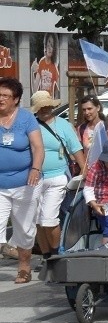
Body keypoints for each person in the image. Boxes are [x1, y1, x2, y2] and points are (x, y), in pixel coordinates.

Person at [32, 90, 86, 260]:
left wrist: (85, 171)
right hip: (34, 179)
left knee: (49, 218)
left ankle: (57, 253)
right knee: (38, 220)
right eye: (41, 107)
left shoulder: (62, 125)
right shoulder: (31, 126)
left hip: (57, 176)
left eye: (47, 106)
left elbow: (76, 149)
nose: (44, 110)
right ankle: (47, 256)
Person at [0, 77, 44, 283]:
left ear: (16, 99)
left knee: (25, 228)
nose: (1, 99)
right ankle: (7, 247)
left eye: (5, 96)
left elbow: (37, 147)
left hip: (26, 183)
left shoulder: (26, 118)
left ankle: (24, 267)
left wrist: (35, 168)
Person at [31, 33, 60, 97]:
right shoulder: (42, 62)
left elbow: (61, 87)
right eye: (48, 45)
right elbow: (34, 90)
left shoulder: (54, 66)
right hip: (41, 100)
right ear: (45, 46)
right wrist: (32, 72)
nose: (49, 48)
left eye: (52, 45)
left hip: (50, 102)